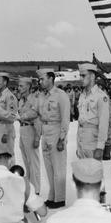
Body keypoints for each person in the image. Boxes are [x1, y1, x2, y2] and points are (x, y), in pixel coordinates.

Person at [37, 68, 70, 209]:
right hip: (45, 131)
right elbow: (38, 114)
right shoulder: (42, 96)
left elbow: (65, 118)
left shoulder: (60, 95)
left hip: (56, 131)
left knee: (58, 167)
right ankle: (52, 196)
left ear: (51, 78)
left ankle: (60, 198)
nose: (40, 82)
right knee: (49, 167)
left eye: (42, 79)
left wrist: (62, 138)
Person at [76, 63, 109, 161]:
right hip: (81, 139)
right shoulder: (83, 95)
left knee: (93, 173)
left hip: (93, 142)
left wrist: (100, 147)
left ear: (92, 76)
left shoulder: (101, 96)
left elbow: (104, 124)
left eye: (83, 75)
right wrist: (78, 145)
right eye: (80, 76)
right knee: (83, 173)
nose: (81, 78)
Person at [17, 77, 42, 194]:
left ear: (28, 86)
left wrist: (37, 137)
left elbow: (36, 114)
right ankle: (31, 188)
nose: (19, 88)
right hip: (22, 130)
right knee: (27, 162)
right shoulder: (21, 100)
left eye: (21, 86)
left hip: (31, 129)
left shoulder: (34, 98)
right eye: (19, 86)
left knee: (34, 163)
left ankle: (36, 190)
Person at [0, 72, 19, 158]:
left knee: (8, 154)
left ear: (5, 82)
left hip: (6, 128)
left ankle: (10, 171)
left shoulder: (9, 96)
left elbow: (11, 117)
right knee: (1, 155)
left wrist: (5, 133)